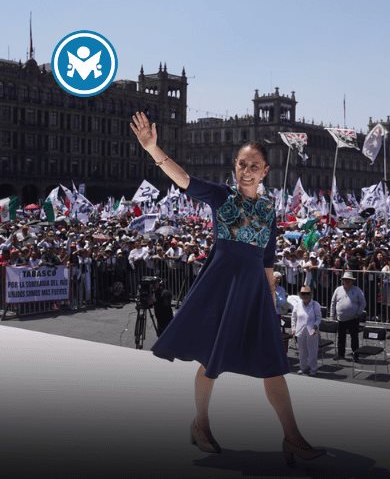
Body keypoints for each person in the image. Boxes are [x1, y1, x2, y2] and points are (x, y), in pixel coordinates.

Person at [130, 112, 323, 465]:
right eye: (241, 164)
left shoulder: (268, 210)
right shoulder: (222, 197)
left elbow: (268, 258)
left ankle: (292, 437)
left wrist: (270, 300)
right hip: (222, 286)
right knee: (211, 360)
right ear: (235, 167)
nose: (246, 170)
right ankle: (200, 425)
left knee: (273, 364)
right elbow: (185, 179)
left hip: (253, 291)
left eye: (254, 165)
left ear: (266, 171)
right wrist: (153, 149)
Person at [330, 271, 367, 361]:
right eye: (345, 279)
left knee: (354, 337)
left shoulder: (357, 290)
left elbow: (363, 303)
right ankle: (340, 354)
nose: (347, 281)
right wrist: (332, 315)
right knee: (341, 337)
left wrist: (358, 313)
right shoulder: (338, 289)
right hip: (340, 318)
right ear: (342, 280)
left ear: (352, 281)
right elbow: (333, 303)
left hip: (353, 318)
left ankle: (355, 355)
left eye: (348, 280)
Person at [290, 286, 322, 375]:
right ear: (300, 295)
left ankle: (313, 369)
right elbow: (293, 317)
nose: (305, 295)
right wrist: (293, 329)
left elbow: (319, 318)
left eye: (307, 293)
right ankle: (303, 368)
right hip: (300, 330)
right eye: (303, 294)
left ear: (311, 294)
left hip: (312, 330)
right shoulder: (297, 304)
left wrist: (315, 327)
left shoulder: (315, 305)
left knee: (312, 351)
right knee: (302, 351)